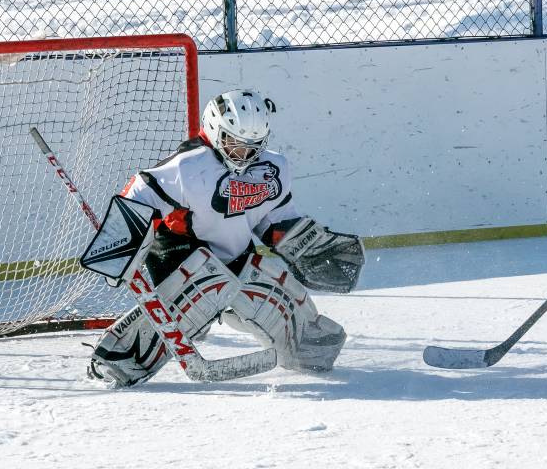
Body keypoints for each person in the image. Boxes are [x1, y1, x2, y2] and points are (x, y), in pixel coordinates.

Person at [86, 88, 363, 386]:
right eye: (234, 143)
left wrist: (308, 246)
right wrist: (120, 248)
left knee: (282, 302)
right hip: (179, 254)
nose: (243, 154)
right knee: (207, 286)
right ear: (215, 130)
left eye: (252, 145)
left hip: (236, 257)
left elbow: (274, 219)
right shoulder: (187, 167)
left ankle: (300, 343)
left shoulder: (272, 168)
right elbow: (138, 193)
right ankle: (117, 358)